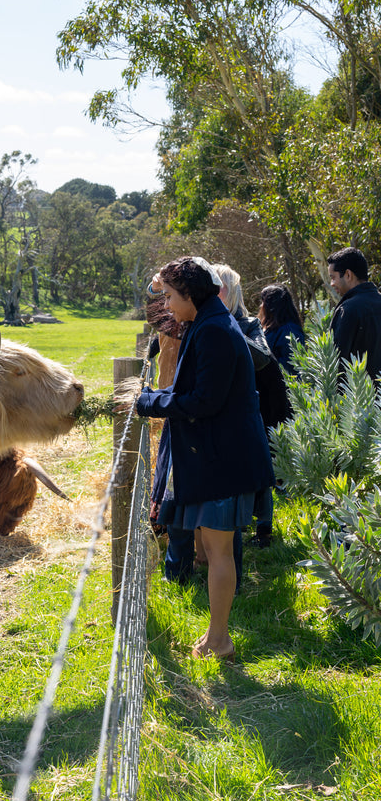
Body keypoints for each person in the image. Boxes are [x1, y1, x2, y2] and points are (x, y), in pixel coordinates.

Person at [136, 256, 275, 661]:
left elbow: (203, 400)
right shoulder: (209, 321)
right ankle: (218, 636)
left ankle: (220, 640)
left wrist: (146, 402)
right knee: (218, 550)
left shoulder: (213, 330)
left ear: (190, 295)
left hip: (224, 460)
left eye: (172, 298)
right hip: (222, 455)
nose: (168, 307)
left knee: (218, 551)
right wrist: (152, 399)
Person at [212, 264, 290, 549]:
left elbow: (262, 358)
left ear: (231, 291)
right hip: (223, 411)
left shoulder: (247, 325)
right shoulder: (203, 323)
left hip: (257, 409)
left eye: (217, 286)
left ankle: (264, 528)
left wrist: (228, 328)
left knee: (259, 468)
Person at [327, 247, 381, 383]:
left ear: (348, 275)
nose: (332, 284)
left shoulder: (348, 309)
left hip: (356, 400)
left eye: (333, 277)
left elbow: (336, 363)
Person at [258, 284, 305, 373]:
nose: (261, 306)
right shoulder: (275, 328)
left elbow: (289, 367)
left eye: (263, 302)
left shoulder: (289, 331)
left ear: (271, 306)